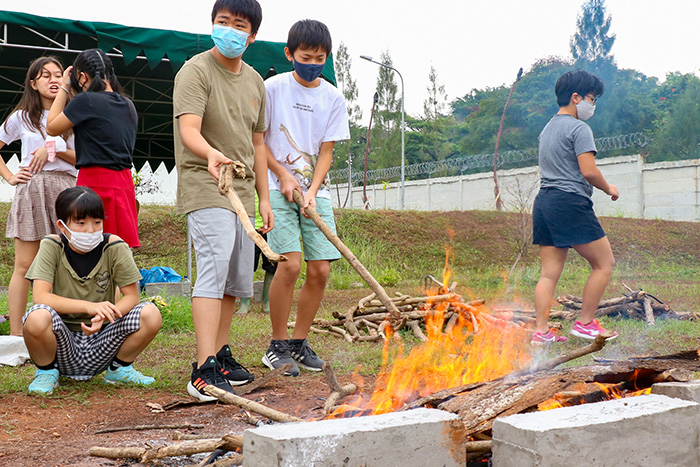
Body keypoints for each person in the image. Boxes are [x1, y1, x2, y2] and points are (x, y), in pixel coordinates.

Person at [173, 0, 272, 401]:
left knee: (234, 280)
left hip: (244, 194)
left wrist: (265, 198)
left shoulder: (255, 82)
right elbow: (189, 131)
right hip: (206, 184)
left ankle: (220, 355)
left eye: (238, 24)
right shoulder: (195, 71)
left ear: (252, 35)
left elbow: (258, 144)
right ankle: (202, 368)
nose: (229, 29)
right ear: (213, 24)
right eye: (222, 21)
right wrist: (211, 154)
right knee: (212, 273)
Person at [262, 19, 350, 376]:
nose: (313, 63)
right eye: (306, 56)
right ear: (289, 54)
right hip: (274, 185)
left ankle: (299, 343)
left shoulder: (332, 97)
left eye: (320, 58)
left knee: (320, 269)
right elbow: (259, 142)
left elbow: (326, 152)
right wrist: (282, 176)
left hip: (315, 190)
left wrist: (312, 191)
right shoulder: (272, 89)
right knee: (290, 264)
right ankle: (277, 344)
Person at [22, 186, 161, 395]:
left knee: (150, 313)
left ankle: (118, 369)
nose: (90, 230)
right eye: (81, 223)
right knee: (37, 316)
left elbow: (132, 296)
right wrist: (90, 307)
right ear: (62, 225)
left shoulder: (114, 246)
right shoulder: (51, 245)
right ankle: (47, 372)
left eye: (97, 222)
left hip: (103, 340)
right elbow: (41, 296)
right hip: (62, 343)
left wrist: (104, 317)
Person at [531, 70, 619, 344]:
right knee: (604, 263)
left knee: (549, 273)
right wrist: (609, 188)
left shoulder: (547, 129)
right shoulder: (579, 128)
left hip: (545, 201)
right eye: (592, 99)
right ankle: (585, 323)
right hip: (570, 202)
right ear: (576, 97)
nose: (593, 105)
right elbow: (588, 171)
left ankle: (541, 332)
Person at [0, 57, 77, 337]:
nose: (54, 80)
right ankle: (17, 334)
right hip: (31, 189)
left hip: (67, 191)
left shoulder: (74, 115)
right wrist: (9, 176)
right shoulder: (22, 116)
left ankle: (60, 328)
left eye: (59, 75)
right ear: (33, 83)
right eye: (45, 76)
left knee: (65, 263)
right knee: (24, 265)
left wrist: (53, 148)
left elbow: (84, 157)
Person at [46, 48, 140, 248]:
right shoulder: (128, 104)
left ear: (81, 76)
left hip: (94, 181)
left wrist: (64, 87)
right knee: (119, 250)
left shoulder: (85, 100)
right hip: (124, 183)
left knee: (90, 249)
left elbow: (52, 126)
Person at [238, 191, 277, 315]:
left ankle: (267, 303)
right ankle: (244, 303)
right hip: (250, 225)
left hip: (273, 225)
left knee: (273, 266)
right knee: (247, 264)